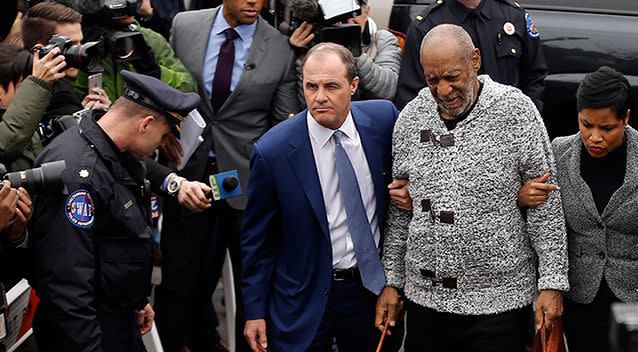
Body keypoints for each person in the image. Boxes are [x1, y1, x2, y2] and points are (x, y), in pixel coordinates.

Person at [376, 24, 568, 351]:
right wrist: (392, 281)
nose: (444, 90)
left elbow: (545, 203)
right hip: (427, 302)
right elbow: (400, 212)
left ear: (475, 61)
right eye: (433, 80)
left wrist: (551, 283)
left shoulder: (516, 111)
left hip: (499, 303)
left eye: (453, 77)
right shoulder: (411, 118)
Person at [30, 70, 211, 352]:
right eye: (164, 136)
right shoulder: (80, 175)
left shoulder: (116, 150)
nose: (162, 146)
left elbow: (119, 240)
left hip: (117, 313)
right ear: (146, 124)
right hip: (87, 329)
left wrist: (137, 299)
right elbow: (67, 283)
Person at [241, 42, 403, 352]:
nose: (319, 97)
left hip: (370, 294)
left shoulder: (383, 121)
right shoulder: (273, 152)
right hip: (302, 297)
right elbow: (257, 241)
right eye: (311, 86)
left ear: (354, 86)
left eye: (331, 86)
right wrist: (255, 311)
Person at [157, 1, 300, 351]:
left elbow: (282, 124)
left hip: (246, 182)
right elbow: (164, 89)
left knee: (252, 281)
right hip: (187, 173)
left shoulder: (281, 47)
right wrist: (162, 131)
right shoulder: (184, 25)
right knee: (181, 276)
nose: (255, 2)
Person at [518, 66, 637, 352]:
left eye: (606, 128)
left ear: (626, 119)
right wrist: (522, 197)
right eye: (587, 125)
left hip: (633, 300)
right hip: (579, 298)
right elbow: (542, 220)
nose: (595, 136)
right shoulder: (559, 152)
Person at [394, 0, 548, 111]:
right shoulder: (425, 27)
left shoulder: (513, 16)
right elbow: (411, 98)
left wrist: (523, 118)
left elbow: (534, 77)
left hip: (511, 130)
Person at [73, 1, 197, 104]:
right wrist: (89, 56)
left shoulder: (150, 38)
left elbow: (188, 90)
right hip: (98, 128)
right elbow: (67, 94)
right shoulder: (79, 37)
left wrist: (153, 71)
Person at [289, 0, 402, 102]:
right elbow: (308, 104)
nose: (348, 21)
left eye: (354, 12)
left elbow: (388, 90)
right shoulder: (314, 41)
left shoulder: (381, 40)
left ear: (366, 11)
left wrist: (352, 51)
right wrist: (300, 54)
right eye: (340, 15)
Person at [21, 2, 103, 119]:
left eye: (80, 42)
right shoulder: (59, 97)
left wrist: (83, 112)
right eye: (71, 45)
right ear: (41, 49)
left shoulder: (20, 76)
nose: (81, 51)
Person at [0, 44, 65, 171]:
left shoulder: (29, 119)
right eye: (24, 84)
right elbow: (6, 144)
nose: (28, 90)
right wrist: (38, 83)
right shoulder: (25, 116)